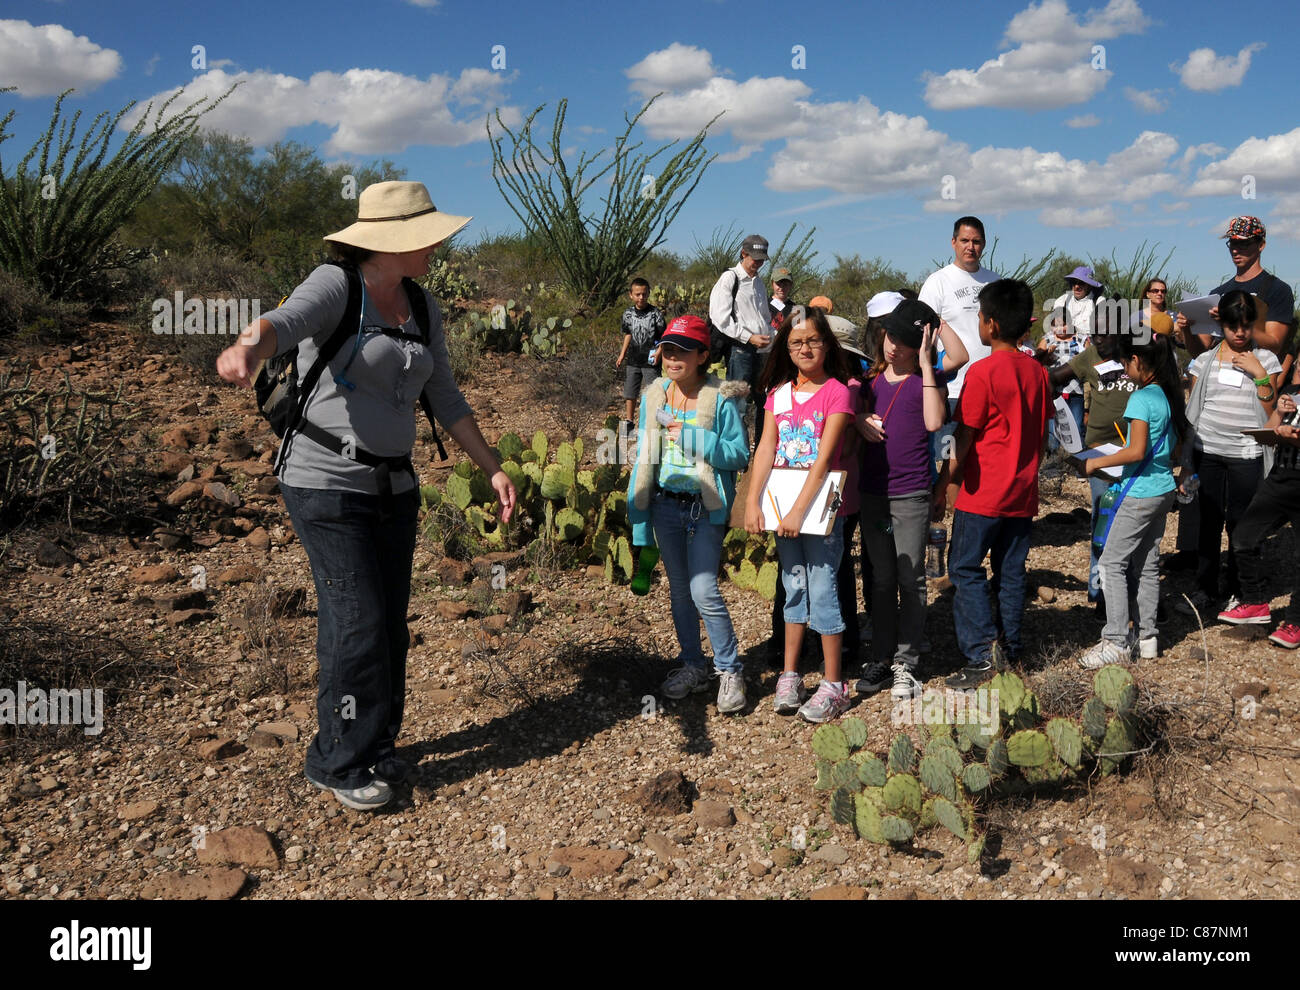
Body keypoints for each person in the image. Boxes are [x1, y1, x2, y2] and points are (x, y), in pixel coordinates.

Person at [215, 181, 516, 811]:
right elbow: (281, 323)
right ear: (394, 241)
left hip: (395, 484)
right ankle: (335, 759)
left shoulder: (422, 305)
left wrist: (491, 467)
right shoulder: (337, 285)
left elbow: (447, 398)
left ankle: (376, 740)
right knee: (357, 618)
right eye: (427, 234)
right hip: (323, 481)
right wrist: (246, 347)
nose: (437, 243)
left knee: (389, 624)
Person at [626, 316, 751, 713]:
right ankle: (694, 665)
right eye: (667, 349)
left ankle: (730, 670)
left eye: (682, 350)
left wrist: (696, 437)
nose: (673, 357)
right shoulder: (655, 395)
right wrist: (640, 516)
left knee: (703, 590)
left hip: (705, 506)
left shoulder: (721, 397)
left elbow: (739, 455)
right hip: (665, 504)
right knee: (680, 591)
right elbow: (643, 458)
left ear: (702, 356)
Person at [934, 279, 1051, 687]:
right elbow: (1042, 429)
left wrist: (942, 484)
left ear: (991, 325)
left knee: (964, 569)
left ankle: (983, 655)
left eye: (981, 318)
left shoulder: (981, 373)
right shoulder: (1037, 372)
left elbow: (964, 436)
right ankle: (1012, 651)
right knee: (1011, 573)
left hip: (982, 494)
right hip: (1022, 492)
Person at [745, 311, 856, 722]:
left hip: (819, 510)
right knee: (793, 587)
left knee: (824, 588)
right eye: (796, 343)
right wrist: (753, 502)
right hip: (783, 509)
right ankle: (790, 674)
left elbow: (825, 459)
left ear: (826, 344)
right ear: (786, 350)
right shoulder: (777, 395)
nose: (804, 349)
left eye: (812, 341)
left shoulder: (838, 393)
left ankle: (834, 683)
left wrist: (796, 511)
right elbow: (765, 451)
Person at [855, 301, 948, 699]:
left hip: (910, 494)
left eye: (907, 342)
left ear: (921, 345)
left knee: (911, 581)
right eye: (892, 336)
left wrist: (927, 363)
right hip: (874, 493)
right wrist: (859, 421)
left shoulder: (928, 380)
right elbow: (848, 417)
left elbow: (933, 422)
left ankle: (906, 663)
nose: (894, 347)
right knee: (882, 578)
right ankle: (881, 656)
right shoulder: (870, 380)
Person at [1079, 332, 1188, 666]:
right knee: (1147, 564)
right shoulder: (1168, 394)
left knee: (1112, 563)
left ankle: (1116, 641)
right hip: (1162, 488)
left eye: (1126, 363)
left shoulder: (1141, 399)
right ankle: (1148, 636)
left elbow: (1136, 450)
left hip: (1139, 491)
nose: (1125, 370)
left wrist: (1096, 461)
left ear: (1138, 361)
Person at [1179, 290, 1283, 615]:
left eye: (1246, 326)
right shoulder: (1205, 360)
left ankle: (1239, 588)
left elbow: (1271, 411)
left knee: (1241, 523)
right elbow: (1193, 408)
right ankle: (1205, 588)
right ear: (1220, 323)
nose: (1239, 333)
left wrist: (1259, 374)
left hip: (1246, 455)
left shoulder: (1266, 359)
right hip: (1207, 452)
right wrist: (1184, 462)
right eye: (1232, 326)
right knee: (1208, 522)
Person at [1049, 300, 1141, 609]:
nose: (1098, 340)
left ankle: (1130, 591)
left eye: (1105, 334)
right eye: (1095, 333)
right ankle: (1098, 590)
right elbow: (1055, 378)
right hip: (1099, 454)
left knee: (1132, 522)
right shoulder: (1088, 356)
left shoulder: (1136, 358)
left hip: (1136, 451)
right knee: (1103, 520)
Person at [1216, 357, 1300, 648]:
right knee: (1243, 537)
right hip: (1280, 478)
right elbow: (1269, 434)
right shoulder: (1292, 392)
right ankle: (1255, 603)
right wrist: (1278, 415)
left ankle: (1296, 622)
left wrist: (1293, 438)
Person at [918, 216, 1000, 459]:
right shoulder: (938, 282)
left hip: (992, 389)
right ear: (953, 242)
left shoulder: (995, 282)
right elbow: (924, 334)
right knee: (948, 461)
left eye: (976, 241)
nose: (970, 247)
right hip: (953, 390)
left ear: (984, 245)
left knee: (985, 460)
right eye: (964, 240)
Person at [1178, 216, 1295, 358]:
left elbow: (1275, 346)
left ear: (1261, 245)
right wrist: (1187, 329)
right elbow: (1200, 353)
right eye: (1232, 243)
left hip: (1254, 376)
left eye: (1243, 244)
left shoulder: (1277, 289)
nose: (1235, 250)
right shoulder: (1217, 294)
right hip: (1218, 375)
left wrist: (1231, 319)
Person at [709, 233, 772, 403]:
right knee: (737, 402)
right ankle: (732, 430)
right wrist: (750, 337)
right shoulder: (730, 278)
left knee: (761, 400)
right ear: (744, 254)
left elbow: (764, 317)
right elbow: (720, 318)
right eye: (756, 259)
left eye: (762, 260)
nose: (759, 264)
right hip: (740, 349)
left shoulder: (759, 283)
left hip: (761, 350)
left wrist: (773, 336)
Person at [614, 276, 666, 426]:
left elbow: (664, 335)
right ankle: (629, 421)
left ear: (649, 293)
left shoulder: (656, 313)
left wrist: (659, 352)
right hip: (633, 358)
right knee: (630, 392)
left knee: (654, 391)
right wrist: (622, 354)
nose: (641, 297)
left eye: (644, 294)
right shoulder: (628, 314)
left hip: (651, 359)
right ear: (631, 295)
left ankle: (655, 422)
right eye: (637, 294)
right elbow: (628, 334)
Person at [1049, 265, 1103, 342]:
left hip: (1089, 348)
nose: (1077, 286)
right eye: (1074, 282)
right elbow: (1055, 327)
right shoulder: (1062, 300)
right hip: (1063, 346)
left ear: (1089, 285)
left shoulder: (1099, 302)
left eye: (1081, 283)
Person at [769, 268, 795, 332]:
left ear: (791, 285)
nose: (782, 287)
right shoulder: (764, 304)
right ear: (772, 284)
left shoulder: (796, 309)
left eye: (785, 284)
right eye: (778, 284)